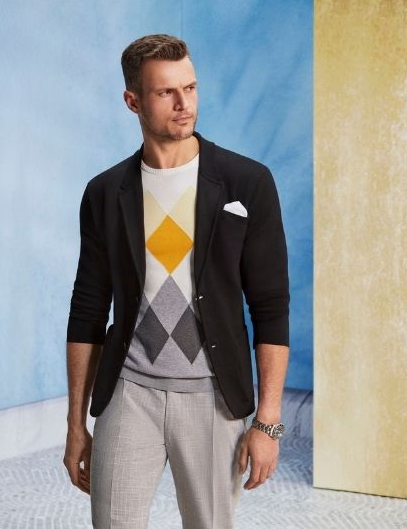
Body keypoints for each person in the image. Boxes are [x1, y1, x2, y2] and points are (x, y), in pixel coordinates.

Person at [63, 34, 290, 529]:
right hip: (128, 393)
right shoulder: (104, 193)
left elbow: (271, 306)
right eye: (166, 92)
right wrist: (76, 424)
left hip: (214, 399)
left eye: (190, 87)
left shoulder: (247, 183)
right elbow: (87, 310)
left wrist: (268, 421)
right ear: (133, 102)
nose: (184, 103)